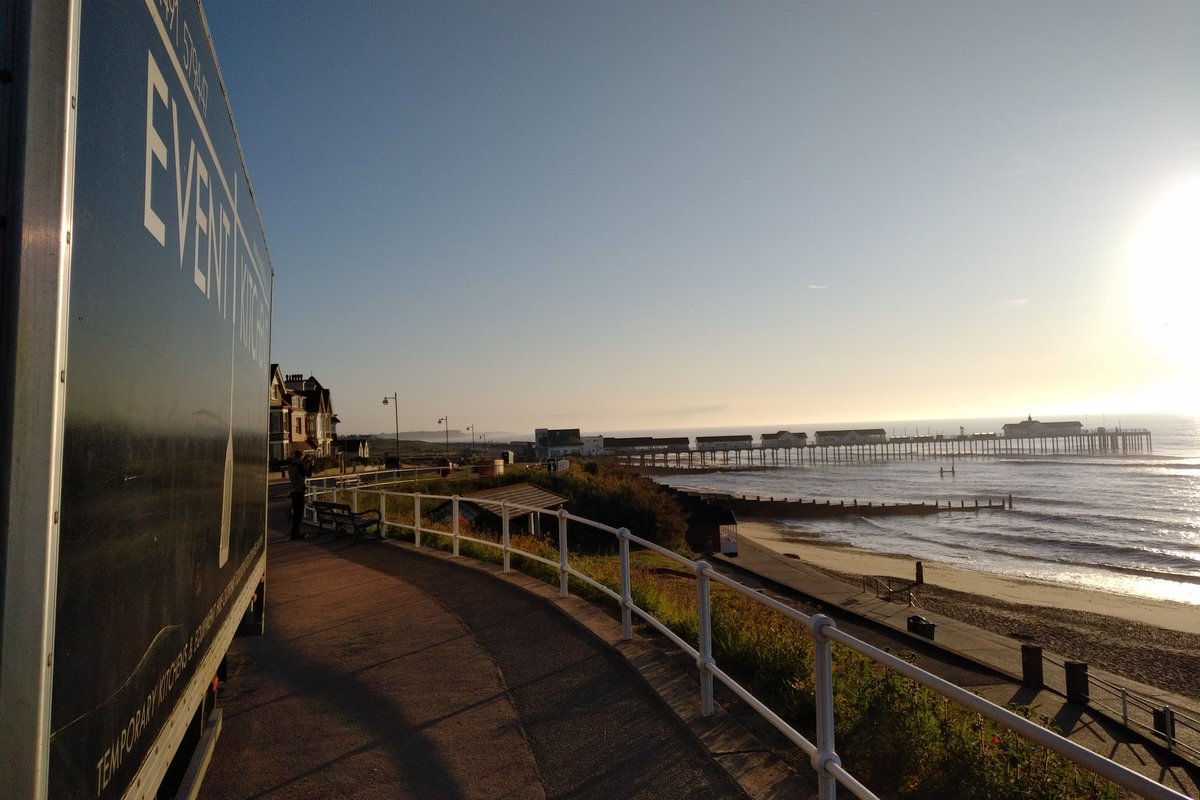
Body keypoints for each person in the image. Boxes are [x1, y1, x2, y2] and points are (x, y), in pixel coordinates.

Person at [288, 453, 310, 539]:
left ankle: (294, 533)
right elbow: (308, 474)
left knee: (295, 513)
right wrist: (311, 465)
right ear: (300, 456)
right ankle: (296, 534)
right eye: (302, 457)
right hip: (299, 492)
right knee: (299, 514)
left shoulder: (291, 465)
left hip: (293, 491)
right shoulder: (299, 464)